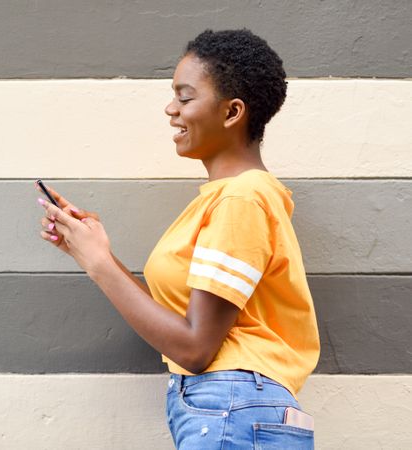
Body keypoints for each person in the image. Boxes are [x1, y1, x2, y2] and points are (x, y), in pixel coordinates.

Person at [36, 28, 319, 449]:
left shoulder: (241, 198)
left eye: (185, 97)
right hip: (233, 409)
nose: (171, 109)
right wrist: (96, 252)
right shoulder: (226, 199)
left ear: (231, 112)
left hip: (231, 407)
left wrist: (98, 265)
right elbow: (183, 327)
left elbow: (194, 347)